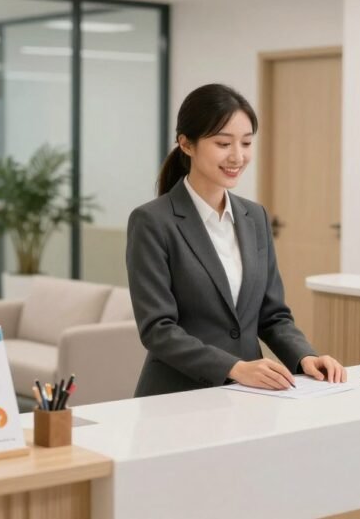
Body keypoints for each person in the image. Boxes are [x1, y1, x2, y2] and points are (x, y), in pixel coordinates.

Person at [127, 84, 346, 397]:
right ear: (186, 145)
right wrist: (235, 367)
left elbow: (273, 316)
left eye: (246, 143)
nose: (238, 156)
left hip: (249, 397)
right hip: (177, 396)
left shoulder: (254, 217)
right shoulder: (152, 221)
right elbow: (158, 330)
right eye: (222, 143)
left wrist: (305, 356)